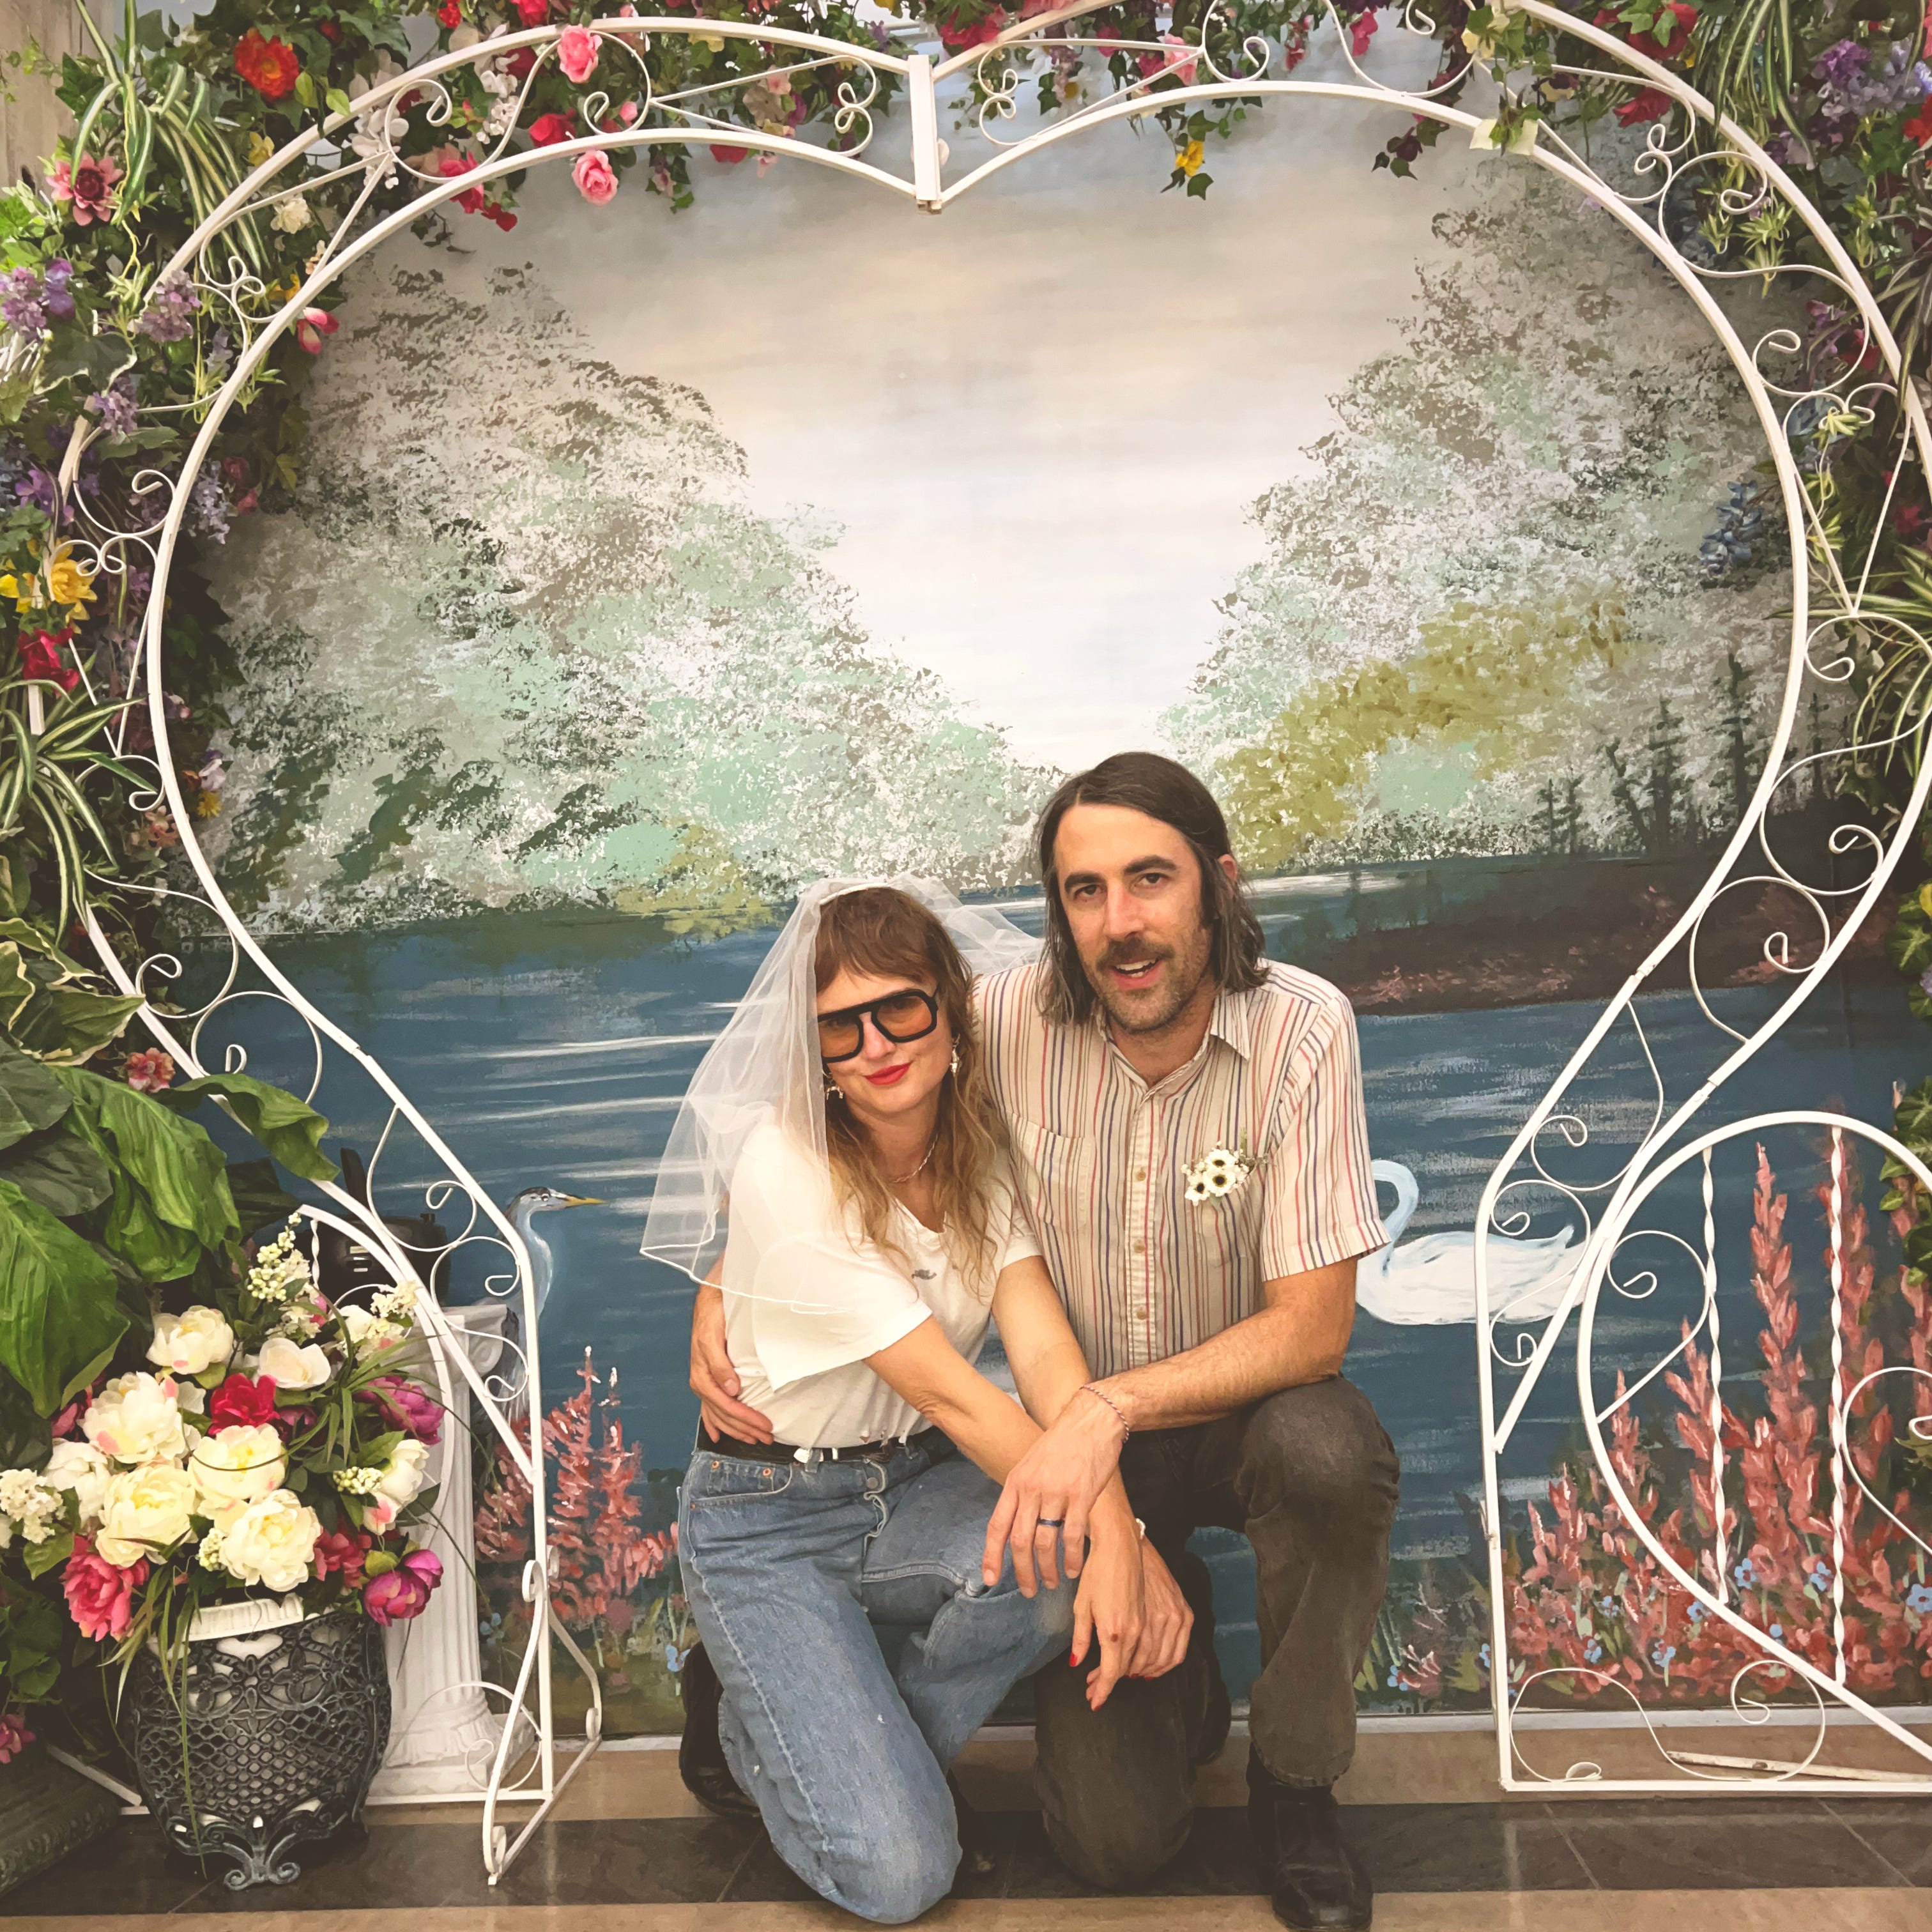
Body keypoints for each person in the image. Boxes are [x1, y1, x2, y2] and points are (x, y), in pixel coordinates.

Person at [650, 879, 1192, 1925]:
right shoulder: (786, 1168)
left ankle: (815, 1730)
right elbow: (955, 1394)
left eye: (899, 1007)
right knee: (901, 1879)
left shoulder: (980, 1153)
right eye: (839, 1027)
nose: (875, 1046)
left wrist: (1113, 1537)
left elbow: (1046, 1356)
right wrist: (1126, 1542)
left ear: (951, 1006)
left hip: (911, 1481)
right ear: (814, 1052)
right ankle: (761, 1731)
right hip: (767, 1523)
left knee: (1055, 1566)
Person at [972, 753, 1399, 1931]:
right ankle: (1184, 1652)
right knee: (1112, 1846)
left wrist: (1110, 1408)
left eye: (1150, 879)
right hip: (1085, 1462)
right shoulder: (1001, 1021)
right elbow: (849, 1094)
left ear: (1218, 882)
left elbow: (1314, 1329)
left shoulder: (1304, 1028)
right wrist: (721, 1280)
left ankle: (1297, 1785)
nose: (1120, 923)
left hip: (1243, 1419)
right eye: (1086, 890)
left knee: (1329, 1452)